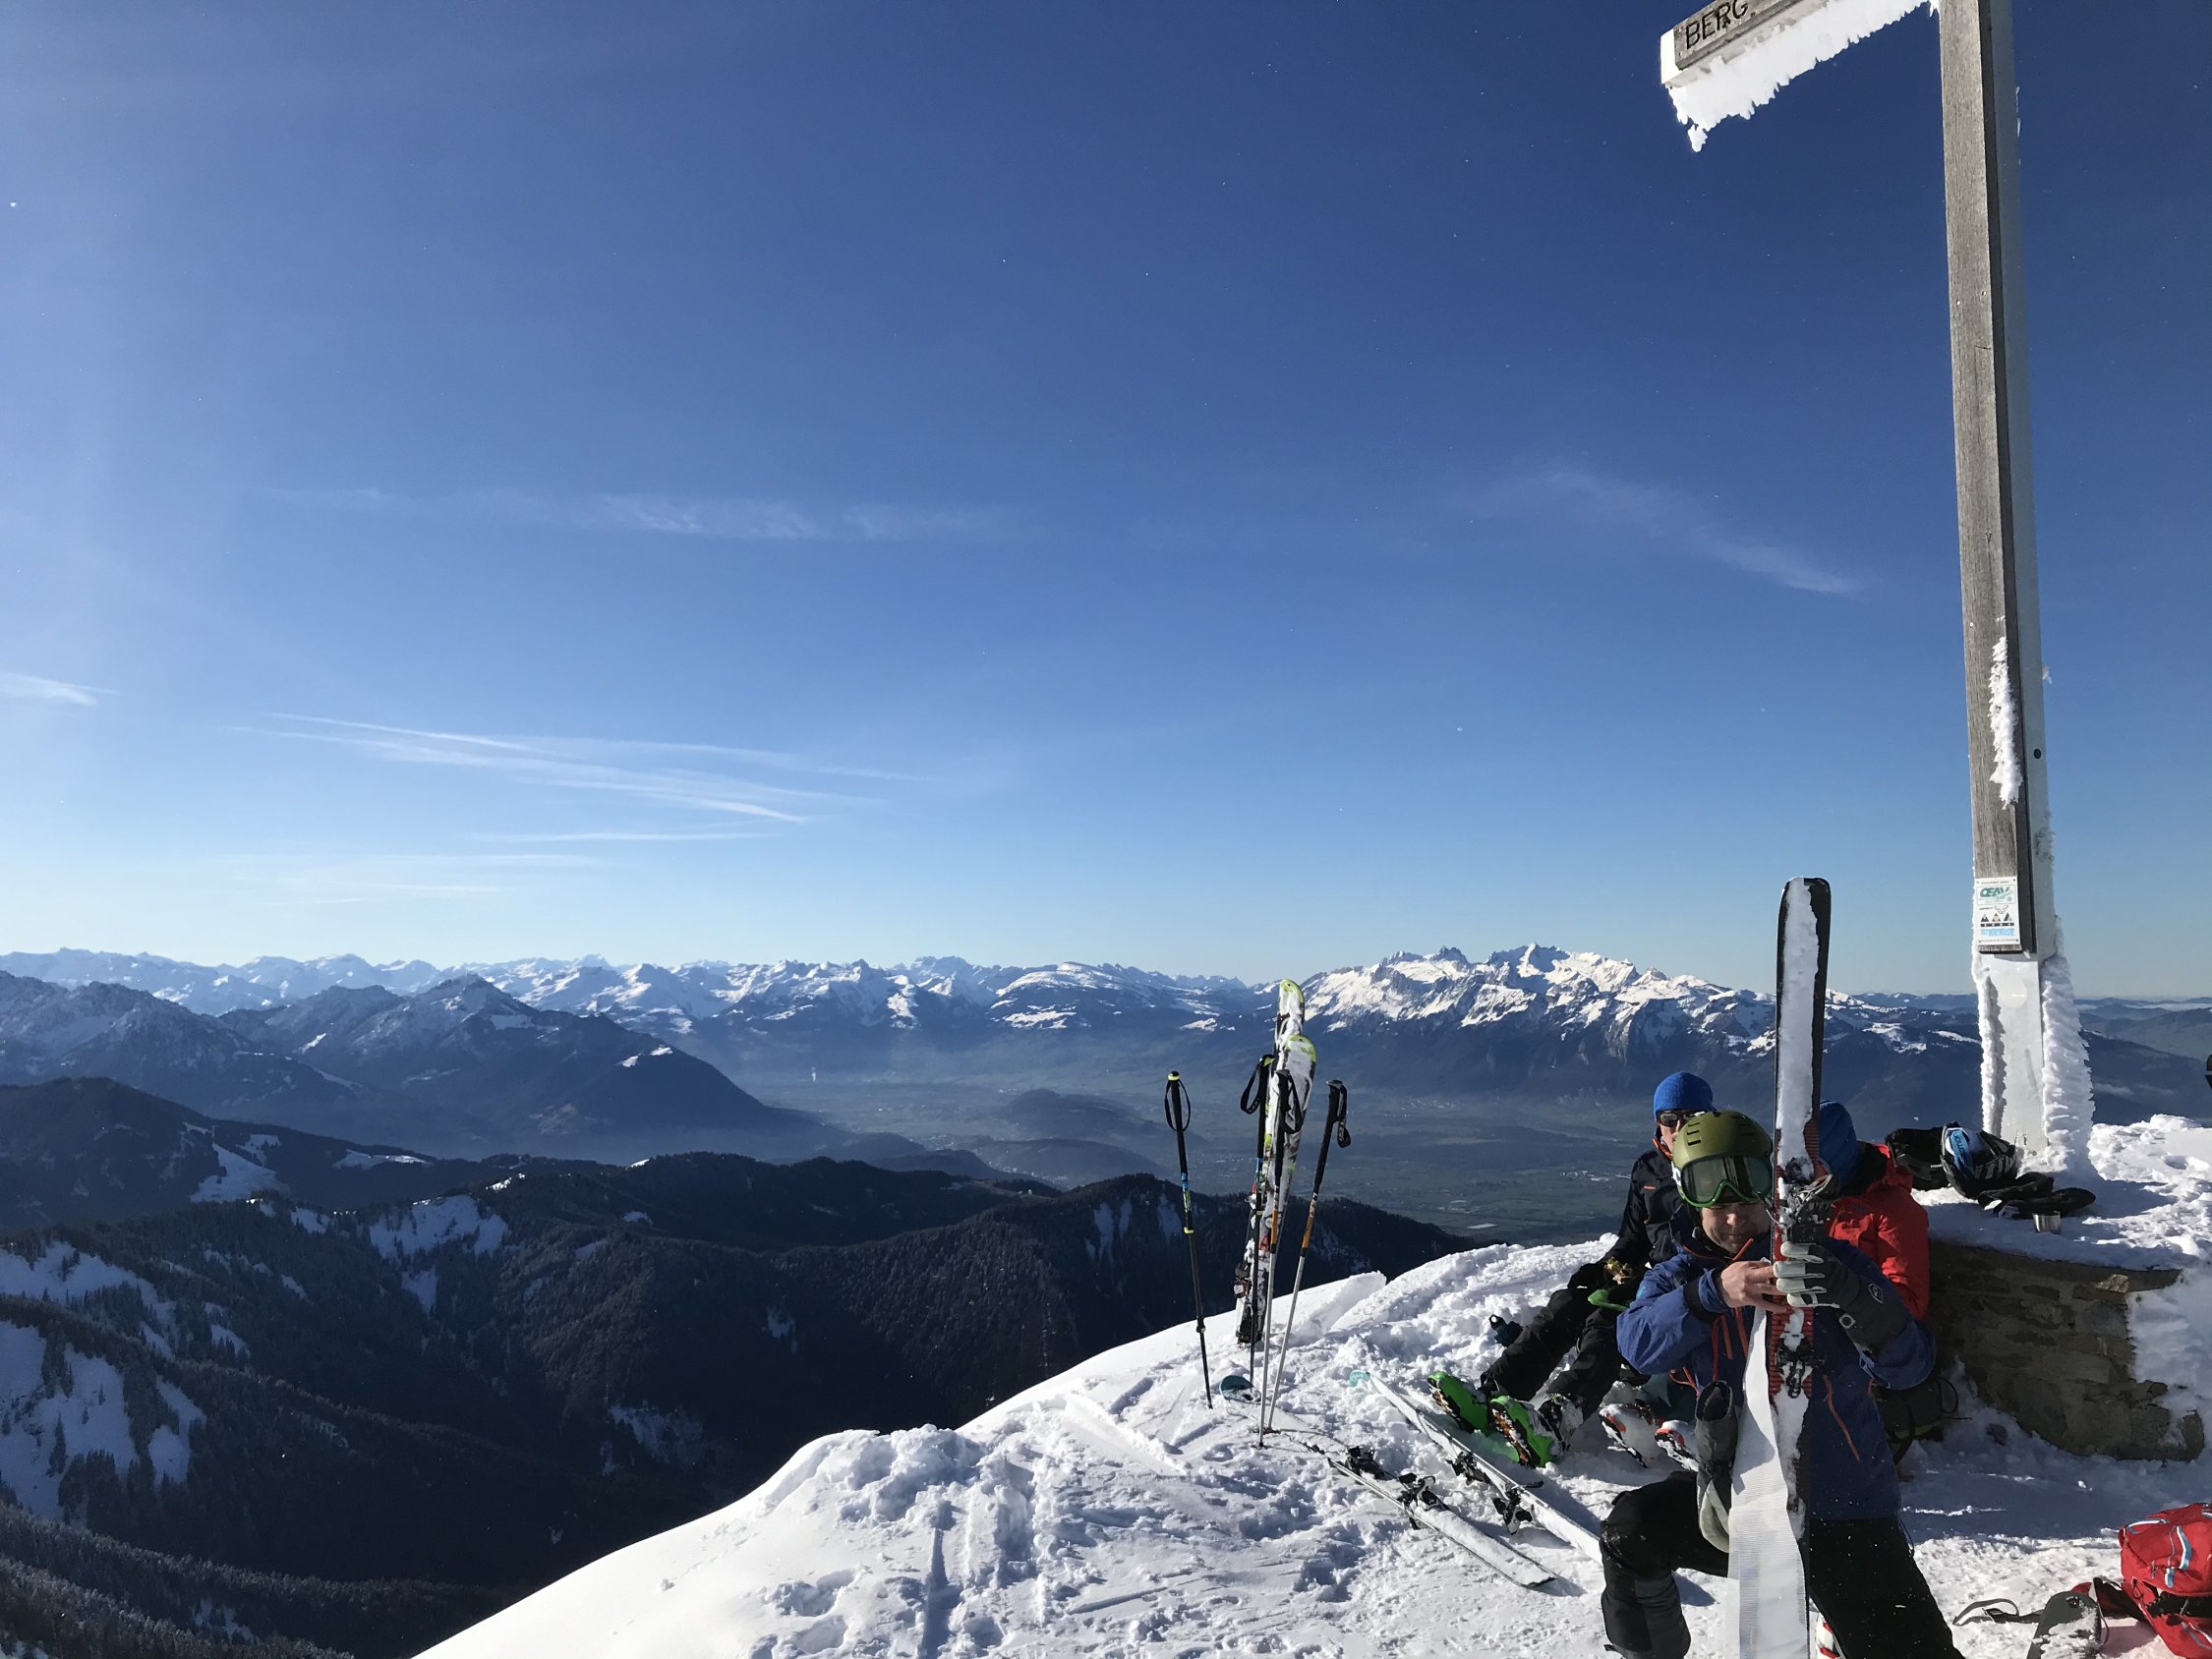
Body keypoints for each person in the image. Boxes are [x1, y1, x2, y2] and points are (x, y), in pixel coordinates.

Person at [1600, 1110, 1964, 1659]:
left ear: (1770, 1195)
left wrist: (1851, 1295)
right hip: (1739, 1504)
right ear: (1692, 1202)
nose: (1733, 1220)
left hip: (1842, 1507)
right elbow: (1636, 1345)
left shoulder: (1829, 1264)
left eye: (1746, 1203)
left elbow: (1909, 1367)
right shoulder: (1683, 1279)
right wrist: (1712, 1295)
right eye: (1717, 1206)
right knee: (1633, 1531)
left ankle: (1843, 1625)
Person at [1477, 1071, 1707, 1457]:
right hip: (1652, 1280)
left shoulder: (1716, 1169)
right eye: (1670, 1118)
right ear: (1658, 1123)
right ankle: (1494, 1392)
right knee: (1567, 1304)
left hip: (1688, 1290)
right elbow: (1633, 1239)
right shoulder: (1648, 1170)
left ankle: (1558, 1417)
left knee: (1609, 1321)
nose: (1680, 1127)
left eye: (1691, 1117)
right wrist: (1604, 1268)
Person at [1815, 1098, 1950, 1461]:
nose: (1804, 1175)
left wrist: (1849, 1298)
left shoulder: (1894, 1211)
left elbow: (1909, 1302)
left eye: (1815, 1164)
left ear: (1836, 1158)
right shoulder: (1814, 1199)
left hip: (1882, 1339)